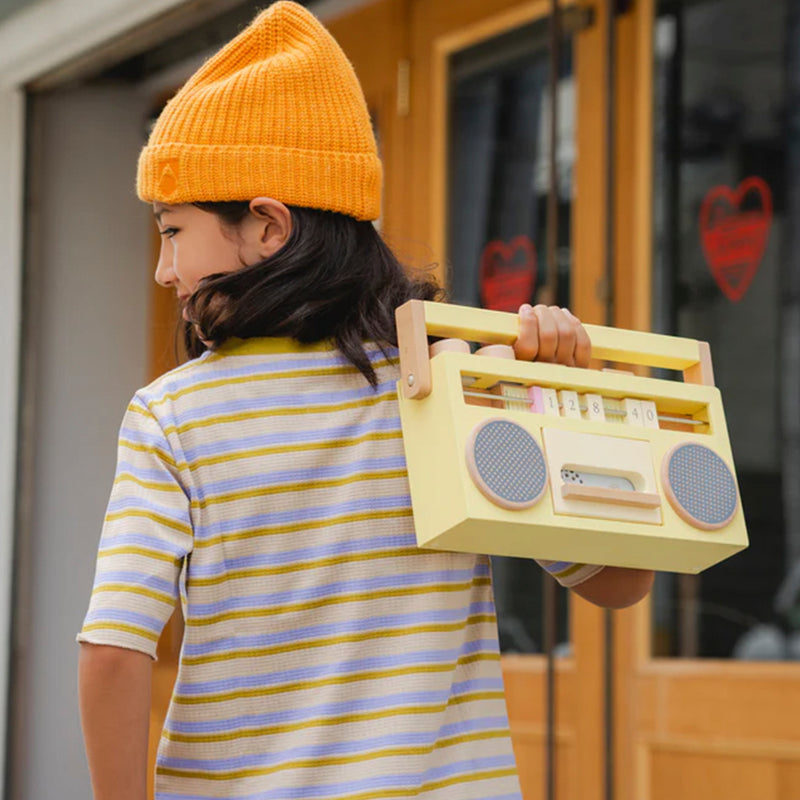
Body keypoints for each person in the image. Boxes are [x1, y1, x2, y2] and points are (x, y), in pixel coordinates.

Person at [77, 4, 654, 799]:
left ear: (268, 226)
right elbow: (620, 586)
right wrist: (565, 403)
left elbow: (113, 650)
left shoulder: (174, 416)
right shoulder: (454, 379)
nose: (163, 271)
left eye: (173, 231)